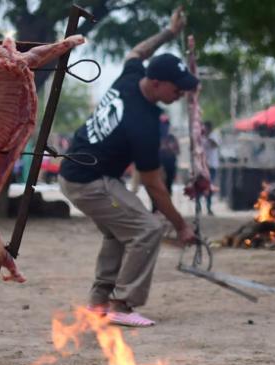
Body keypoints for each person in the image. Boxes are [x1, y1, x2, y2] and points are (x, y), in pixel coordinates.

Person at [58, 7, 198, 327]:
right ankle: (121, 304)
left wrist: (169, 34)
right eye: (177, 89)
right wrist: (181, 225)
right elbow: (155, 186)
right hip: (88, 181)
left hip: (81, 172)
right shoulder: (144, 125)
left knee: (121, 232)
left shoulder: (133, 74)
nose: (180, 95)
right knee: (148, 229)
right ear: (159, 83)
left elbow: (138, 51)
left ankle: (98, 302)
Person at [157, 132, 180, 211]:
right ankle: (157, 207)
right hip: (161, 167)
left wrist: (171, 150)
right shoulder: (160, 138)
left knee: (168, 187)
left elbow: (177, 151)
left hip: (170, 167)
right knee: (159, 187)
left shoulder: (172, 138)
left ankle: (167, 206)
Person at [201, 121, 220, 215]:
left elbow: (215, 145)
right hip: (202, 166)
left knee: (209, 186)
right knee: (200, 186)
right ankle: (199, 206)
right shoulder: (201, 136)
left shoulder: (214, 135)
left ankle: (208, 207)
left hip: (212, 165)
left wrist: (207, 137)